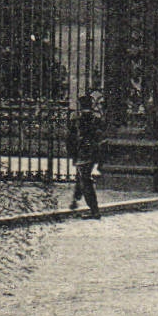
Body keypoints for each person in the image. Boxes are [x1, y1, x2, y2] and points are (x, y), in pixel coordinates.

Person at [67, 91, 103, 220]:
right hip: (92, 153)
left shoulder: (77, 120)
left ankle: (94, 211)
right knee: (82, 177)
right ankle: (75, 200)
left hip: (83, 153)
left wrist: (72, 154)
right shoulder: (96, 119)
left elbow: (71, 138)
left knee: (85, 180)